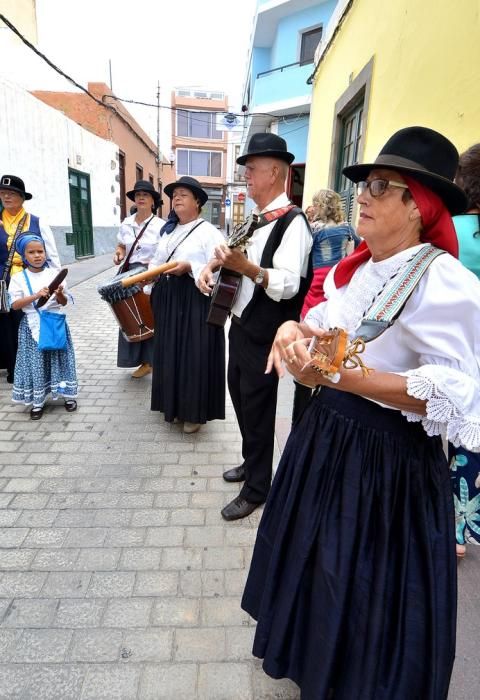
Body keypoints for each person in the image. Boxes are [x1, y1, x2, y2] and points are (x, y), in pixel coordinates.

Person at [241, 127, 480, 699]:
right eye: (362, 185)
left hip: (387, 461)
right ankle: (313, 660)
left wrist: (344, 377)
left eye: (378, 185)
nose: (361, 196)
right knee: (319, 561)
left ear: (418, 205)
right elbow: (333, 337)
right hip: (329, 436)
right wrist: (293, 328)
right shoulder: (364, 269)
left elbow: (455, 392)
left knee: (363, 579)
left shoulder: (446, 282)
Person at [198, 133, 312, 520]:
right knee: (241, 398)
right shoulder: (256, 219)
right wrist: (213, 265)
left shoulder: (293, 222)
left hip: (267, 330)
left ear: (275, 172)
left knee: (259, 409)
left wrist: (247, 268)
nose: (246, 177)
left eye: (252, 170)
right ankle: (253, 462)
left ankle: (258, 488)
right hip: (242, 321)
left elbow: (290, 284)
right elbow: (233, 255)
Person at [148, 176, 226, 434]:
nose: (177, 198)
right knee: (170, 352)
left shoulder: (208, 231)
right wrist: (148, 282)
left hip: (193, 298)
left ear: (198, 202)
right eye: (175, 195)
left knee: (192, 355)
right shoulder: (168, 231)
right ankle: (173, 406)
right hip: (169, 297)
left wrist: (190, 267)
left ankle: (193, 412)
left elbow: (218, 266)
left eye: (183, 194)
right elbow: (158, 261)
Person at [292, 189, 360, 422]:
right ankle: (327, 372)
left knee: (311, 330)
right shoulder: (348, 228)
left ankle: (307, 380)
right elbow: (359, 251)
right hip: (340, 279)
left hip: (319, 280)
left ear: (320, 206)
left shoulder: (315, 229)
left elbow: (304, 259)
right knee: (332, 331)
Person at [448, 142, 480, 557]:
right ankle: (463, 525)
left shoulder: (445, 229)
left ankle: (452, 529)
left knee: (453, 433)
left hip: (453, 347)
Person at [8, 234, 77, 420]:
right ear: (23, 255)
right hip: (31, 327)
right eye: (31, 252)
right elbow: (14, 305)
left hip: (55, 323)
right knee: (37, 363)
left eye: (40, 251)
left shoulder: (55, 274)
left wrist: (60, 293)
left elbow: (62, 303)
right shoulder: (18, 278)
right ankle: (38, 401)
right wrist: (36, 295)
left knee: (60, 359)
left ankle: (68, 396)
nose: (37, 255)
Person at [0, 175, 61, 383]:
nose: (6, 196)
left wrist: (57, 283)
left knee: (27, 324)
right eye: (2, 193)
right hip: (3, 281)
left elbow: (52, 256)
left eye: (12, 193)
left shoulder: (36, 222)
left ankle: (37, 367)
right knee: (6, 327)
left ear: (21, 197)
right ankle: (13, 369)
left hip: (31, 279)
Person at [113, 180, 164, 378]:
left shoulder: (161, 226)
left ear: (153, 200)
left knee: (147, 318)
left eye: (146, 194)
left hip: (148, 274)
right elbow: (121, 246)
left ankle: (150, 361)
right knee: (128, 317)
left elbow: (164, 254)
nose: (141, 197)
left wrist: (152, 276)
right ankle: (136, 360)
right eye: (138, 194)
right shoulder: (126, 223)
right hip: (127, 274)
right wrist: (118, 253)